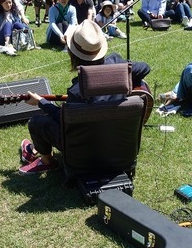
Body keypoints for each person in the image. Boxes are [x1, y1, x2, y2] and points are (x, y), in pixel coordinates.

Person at [17, 19, 150, 174]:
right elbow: (145, 68)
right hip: (119, 149)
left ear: (74, 54)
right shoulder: (117, 63)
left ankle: (47, 161)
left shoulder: (77, 91)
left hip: (86, 153)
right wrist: (122, 71)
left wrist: (42, 103)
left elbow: (63, 120)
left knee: (37, 122)